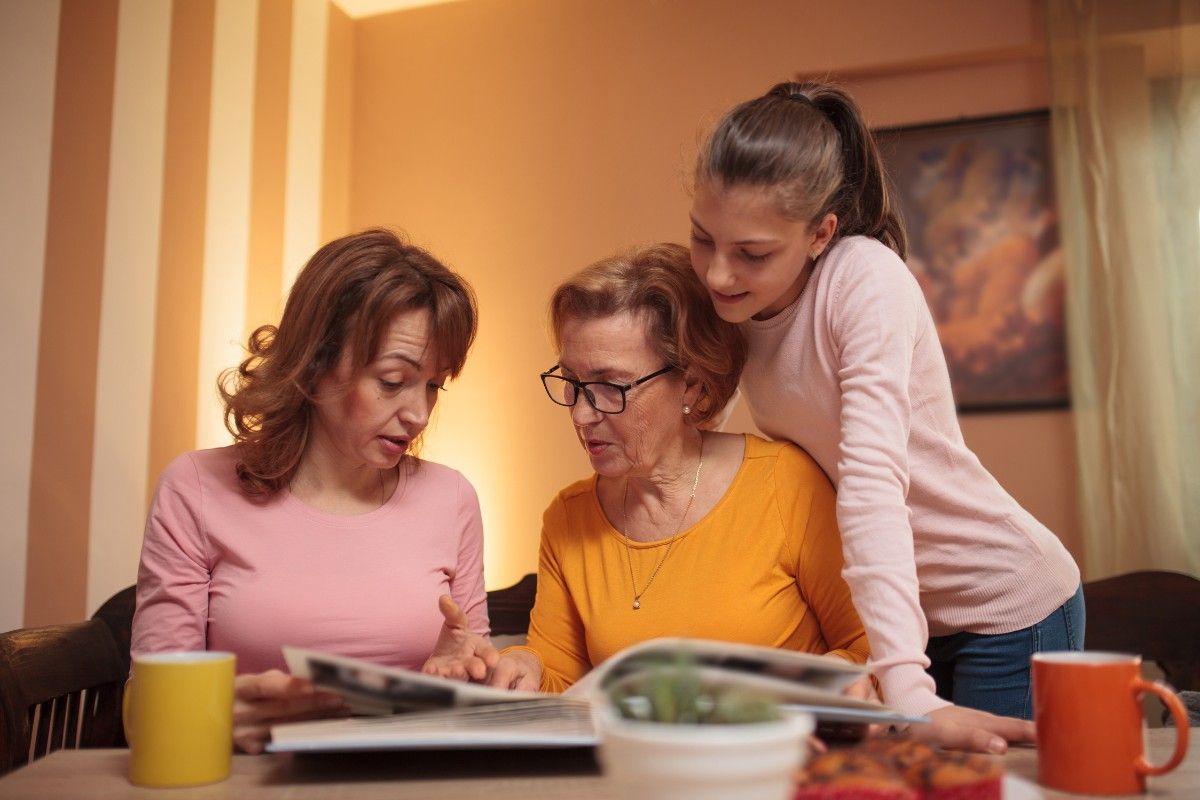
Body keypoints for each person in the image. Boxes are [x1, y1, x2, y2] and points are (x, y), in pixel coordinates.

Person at [686, 81, 1083, 753]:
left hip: (1006, 607)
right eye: (702, 239)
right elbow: (713, 458)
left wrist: (905, 690)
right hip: (901, 623)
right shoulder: (741, 308)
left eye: (752, 253)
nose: (719, 274)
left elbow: (872, 488)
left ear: (821, 233)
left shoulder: (865, 281)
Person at [435, 242, 869, 692]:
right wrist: (520, 665)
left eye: (610, 386)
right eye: (571, 382)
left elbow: (866, 647)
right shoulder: (570, 518)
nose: (582, 415)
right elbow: (560, 680)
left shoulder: (784, 484)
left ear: (694, 387)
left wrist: (828, 683)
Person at [130, 229, 495, 752]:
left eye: (434, 385)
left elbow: (478, 691)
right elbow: (147, 720)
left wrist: (466, 675)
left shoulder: (452, 498)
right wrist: (210, 719)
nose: (419, 414)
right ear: (315, 363)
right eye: (393, 380)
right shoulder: (195, 489)